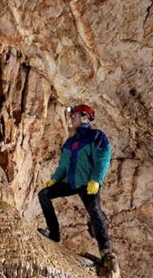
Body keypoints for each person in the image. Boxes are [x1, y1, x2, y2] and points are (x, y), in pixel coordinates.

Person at [38, 103, 113, 258]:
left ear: (85, 117)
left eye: (75, 116)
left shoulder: (97, 136)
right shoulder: (70, 142)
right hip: (70, 182)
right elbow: (63, 165)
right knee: (44, 194)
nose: (71, 119)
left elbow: (102, 159)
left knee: (95, 212)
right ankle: (53, 233)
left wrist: (96, 180)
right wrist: (55, 179)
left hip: (88, 183)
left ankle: (105, 250)